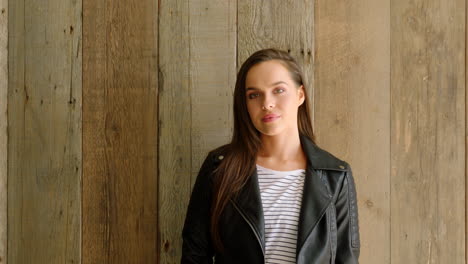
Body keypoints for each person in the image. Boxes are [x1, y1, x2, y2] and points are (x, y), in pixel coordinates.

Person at [181, 48, 360, 264]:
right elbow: (194, 254)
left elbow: (346, 259)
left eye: (279, 90)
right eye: (254, 95)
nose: (266, 104)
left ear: (300, 95)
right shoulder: (219, 167)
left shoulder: (335, 175)